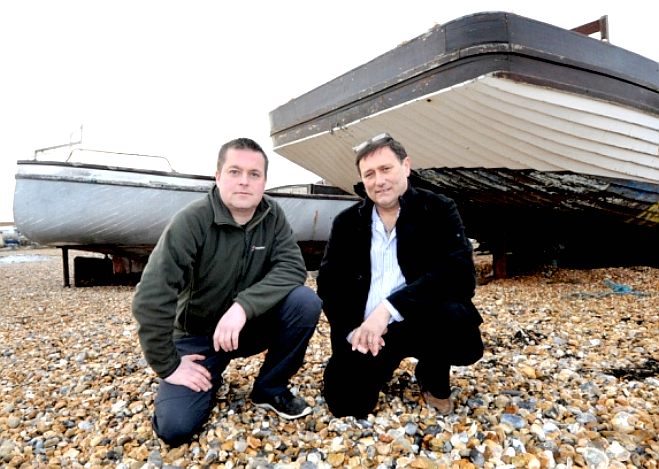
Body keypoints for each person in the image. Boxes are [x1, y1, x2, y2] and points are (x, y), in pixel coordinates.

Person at [132, 137, 322, 446]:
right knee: (175, 429)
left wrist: (243, 307)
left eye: (254, 174)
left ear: (264, 182)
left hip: (246, 327)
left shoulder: (273, 216)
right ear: (218, 176)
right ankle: (208, 375)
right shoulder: (191, 221)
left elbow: (292, 268)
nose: (244, 182)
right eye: (235, 171)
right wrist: (168, 365)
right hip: (198, 337)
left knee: (305, 302)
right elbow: (151, 296)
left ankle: (269, 388)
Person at [317, 132, 484, 418]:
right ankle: (377, 366)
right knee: (346, 403)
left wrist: (388, 309)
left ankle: (432, 371)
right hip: (369, 332)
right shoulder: (346, 223)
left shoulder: (438, 208)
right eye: (369, 174)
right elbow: (330, 285)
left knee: (455, 322)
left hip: (421, 321)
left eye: (386, 169)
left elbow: (460, 274)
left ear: (406, 166)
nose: (379, 180)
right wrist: (352, 333)